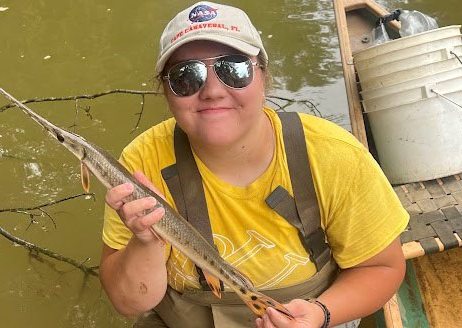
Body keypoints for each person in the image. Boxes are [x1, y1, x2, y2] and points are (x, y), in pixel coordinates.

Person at [99, 2, 409, 328]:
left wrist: (320, 314)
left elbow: (381, 267)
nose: (213, 91)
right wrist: (145, 241)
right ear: (167, 91)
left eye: (234, 68)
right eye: (186, 76)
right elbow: (129, 302)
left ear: (263, 76)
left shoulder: (335, 156)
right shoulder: (142, 164)